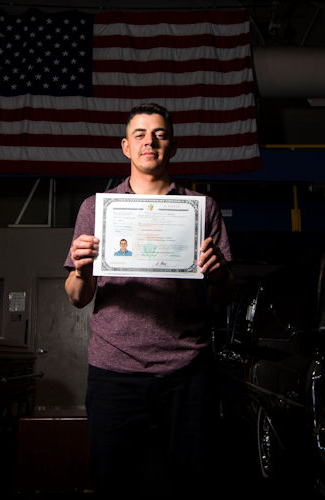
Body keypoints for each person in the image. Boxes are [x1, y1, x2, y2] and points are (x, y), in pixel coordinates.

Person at [64, 103, 235, 498]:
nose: (149, 141)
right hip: (115, 368)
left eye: (159, 134)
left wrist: (219, 272)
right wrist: (81, 269)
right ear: (126, 147)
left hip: (186, 369)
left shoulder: (201, 208)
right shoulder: (97, 208)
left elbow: (226, 293)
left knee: (191, 482)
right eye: (140, 134)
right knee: (114, 482)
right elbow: (77, 298)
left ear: (171, 146)